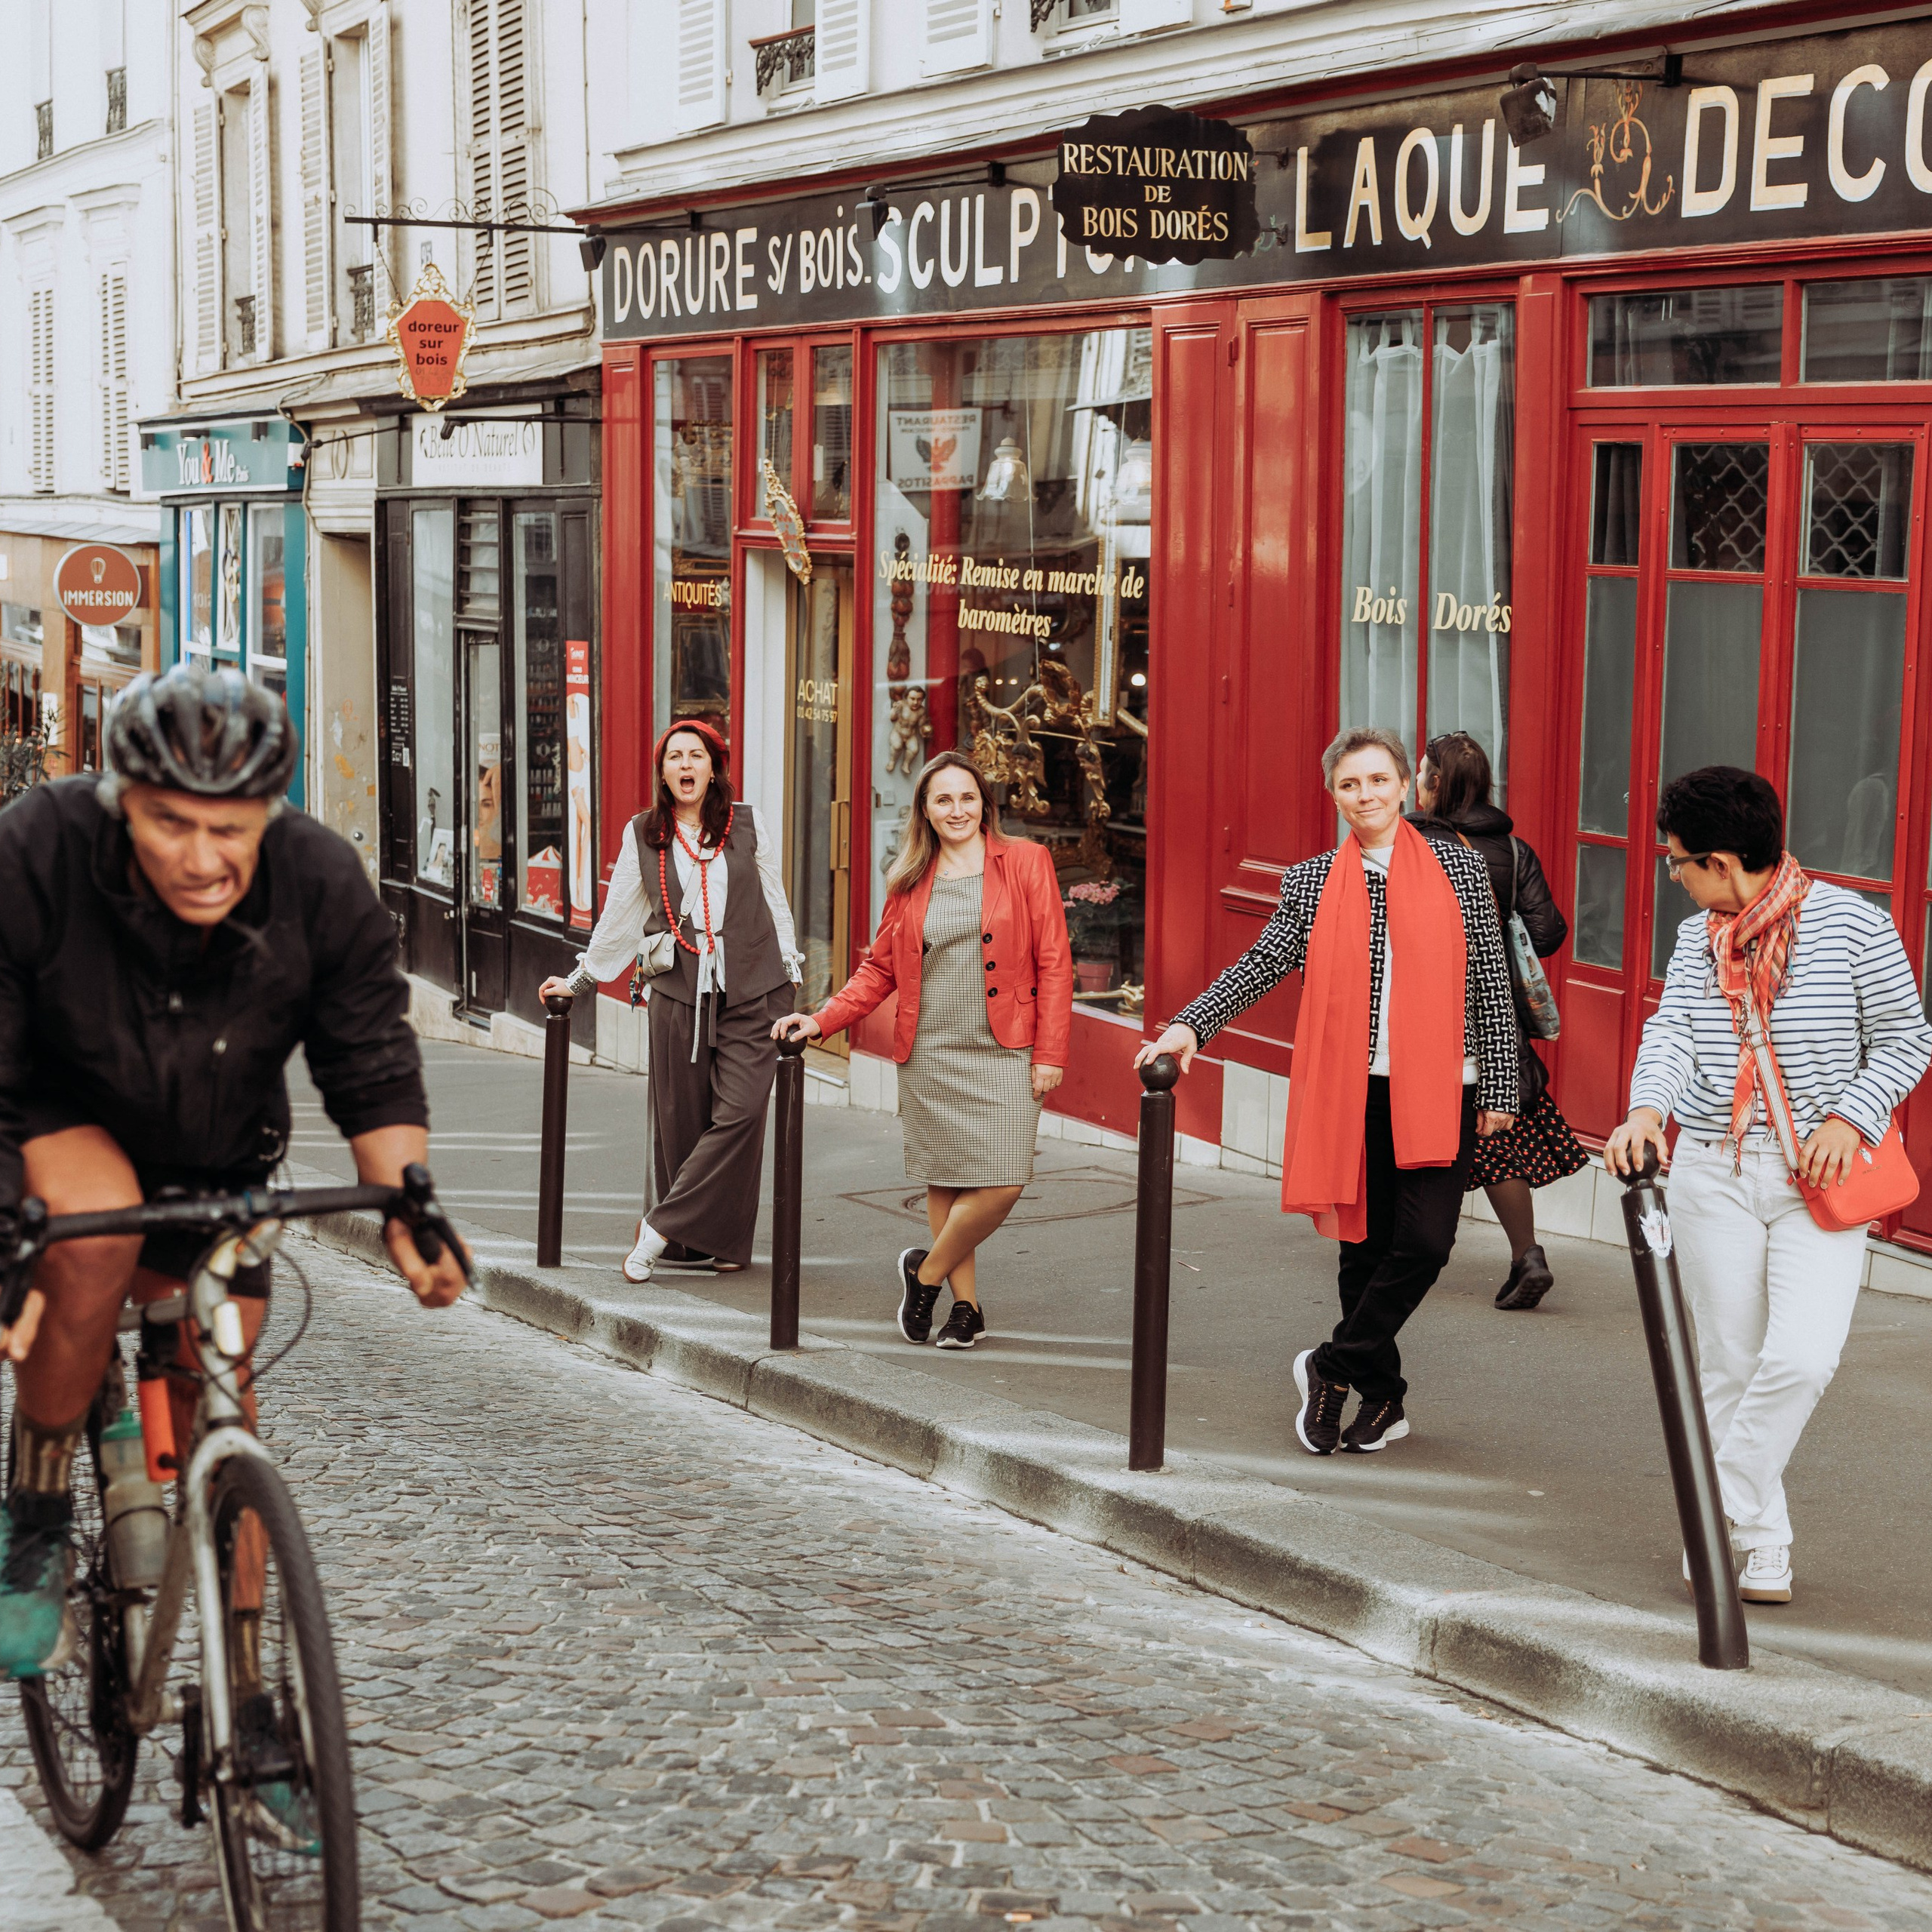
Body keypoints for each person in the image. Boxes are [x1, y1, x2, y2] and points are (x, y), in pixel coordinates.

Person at [0, 663, 467, 1689]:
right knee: (96, 1233)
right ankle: (34, 1511)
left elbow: (370, 1058)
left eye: (233, 829)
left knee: (223, 1406)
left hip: (217, 1145)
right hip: (56, 1113)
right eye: (172, 825)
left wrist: (408, 1209)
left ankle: (250, 1698)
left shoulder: (318, 880)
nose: (206, 860)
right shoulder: (38, 849)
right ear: (121, 805)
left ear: (270, 814)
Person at [1139, 728, 1518, 1455]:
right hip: (1356, 1089)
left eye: (1378, 780)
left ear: (1406, 785)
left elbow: (1490, 982)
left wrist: (1501, 1084)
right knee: (1362, 1248)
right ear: (1333, 794)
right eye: (1350, 785)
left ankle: (1329, 1366)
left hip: (1443, 1086)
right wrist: (1190, 1027)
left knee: (1427, 1244)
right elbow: (1265, 962)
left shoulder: (1458, 869)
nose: (1365, 796)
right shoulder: (1313, 880)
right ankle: (1383, 1398)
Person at [1605, 767, 1931, 1605]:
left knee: (1800, 1357)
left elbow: (1906, 1040)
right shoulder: (1695, 939)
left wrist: (1848, 1119)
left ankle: (1717, 1508)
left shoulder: (1856, 928)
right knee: (1730, 1362)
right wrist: (1646, 1110)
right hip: (1714, 1167)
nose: (1672, 874)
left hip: (1816, 1177)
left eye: (1678, 861)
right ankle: (1763, 1544)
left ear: (1721, 860)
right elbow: (1673, 1027)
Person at [774, 751, 1072, 1351]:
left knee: (1006, 1179)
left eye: (967, 798)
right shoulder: (908, 879)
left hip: (1007, 1048)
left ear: (984, 804)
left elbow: (1055, 961)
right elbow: (878, 970)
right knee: (949, 1178)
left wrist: (1051, 1053)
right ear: (926, 811)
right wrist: (822, 1018)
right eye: (943, 800)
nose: (957, 810)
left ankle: (924, 1273)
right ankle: (966, 1310)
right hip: (933, 1051)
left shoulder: (1026, 862)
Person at [543, 721, 801, 1281]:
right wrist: (581, 981)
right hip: (678, 993)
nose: (686, 765)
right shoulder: (644, 833)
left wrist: (792, 971)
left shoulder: (749, 824)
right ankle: (708, 1242)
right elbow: (619, 918)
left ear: (714, 767)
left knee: (741, 1114)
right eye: (675, 757)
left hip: (754, 991)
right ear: (663, 772)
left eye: (697, 756)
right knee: (680, 1123)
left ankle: (659, 1229)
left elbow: (775, 899)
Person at [1412, 731, 1586, 1311]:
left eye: (1419, 773)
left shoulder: (1413, 841)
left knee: (1402, 1122)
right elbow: (1548, 931)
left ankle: (1397, 1248)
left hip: (1424, 1011)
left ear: (1436, 783)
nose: (1415, 784)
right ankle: (1527, 1255)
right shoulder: (1514, 850)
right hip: (1494, 1016)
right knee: (1496, 1135)